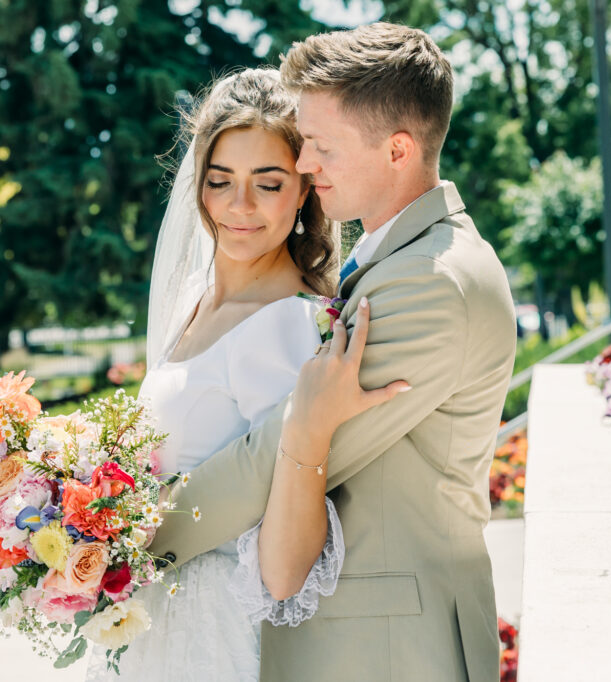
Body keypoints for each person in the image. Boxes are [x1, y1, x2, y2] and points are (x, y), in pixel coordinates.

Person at [149, 22, 517, 682]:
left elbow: (277, 451)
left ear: (398, 150)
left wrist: (125, 538)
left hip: (392, 648)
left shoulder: (432, 283)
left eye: (319, 146)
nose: (305, 163)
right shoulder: (394, 263)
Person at [85, 67, 403, 680]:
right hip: (148, 614)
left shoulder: (290, 326)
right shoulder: (193, 299)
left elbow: (287, 553)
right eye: (220, 180)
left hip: (213, 631)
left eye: (269, 183)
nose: (239, 207)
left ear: (305, 190)